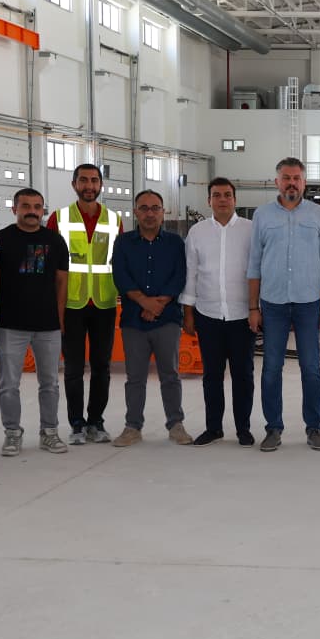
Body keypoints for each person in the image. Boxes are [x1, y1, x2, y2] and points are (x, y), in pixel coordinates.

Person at [247, 157, 320, 452]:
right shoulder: (262, 215)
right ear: (277, 182)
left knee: (311, 368)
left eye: (297, 178)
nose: (291, 183)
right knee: (271, 368)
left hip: (309, 303)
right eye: (286, 178)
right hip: (272, 303)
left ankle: (314, 427)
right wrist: (253, 307)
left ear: (304, 183)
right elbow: (254, 263)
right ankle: (273, 428)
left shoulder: (318, 215)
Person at [110, 190, 192, 447]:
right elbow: (121, 276)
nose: (149, 213)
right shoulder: (123, 242)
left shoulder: (176, 243)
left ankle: (176, 425)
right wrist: (145, 303)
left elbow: (180, 276)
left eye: (155, 208)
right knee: (135, 377)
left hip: (167, 320)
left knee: (170, 375)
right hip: (134, 321)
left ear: (163, 212)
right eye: (144, 208)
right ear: (135, 212)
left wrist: (158, 304)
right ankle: (132, 427)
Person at [180, 177, 256, 447]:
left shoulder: (250, 230)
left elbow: (258, 272)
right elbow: (190, 273)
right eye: (217, 195)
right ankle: (213, 428)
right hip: (208, 314)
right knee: (212, 376)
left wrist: (257, 309)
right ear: (209, 200)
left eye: (227, 195)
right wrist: (188, 312)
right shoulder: (197, 232)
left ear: (235, 199)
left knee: (243, 376)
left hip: (242, 316)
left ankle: (243, 428)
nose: (222, 199)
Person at [49, 164, 122, 445]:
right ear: (74, 184)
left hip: (104, 302)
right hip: (71, 304)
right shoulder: (59, 218)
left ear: (101, 185)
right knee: (74, 368)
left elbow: (119, 261)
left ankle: (96, 421)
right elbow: (51, 265)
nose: (89, 186)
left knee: (102, 366)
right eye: (83, 180)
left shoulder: (114, 220)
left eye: (94, 180)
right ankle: (77, 424)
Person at [0, 187, 70, 457]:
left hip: (47, 326)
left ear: (43, 210)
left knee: (50, 383)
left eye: (37, 207)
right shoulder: (0, 240)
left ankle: (49, 432)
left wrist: (59, 319)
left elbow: (62, 282)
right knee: (8, 385)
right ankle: (12, 433)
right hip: (10, 325)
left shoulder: (55, 241)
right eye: (25, 206)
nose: (32, 211)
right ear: (14, 209)